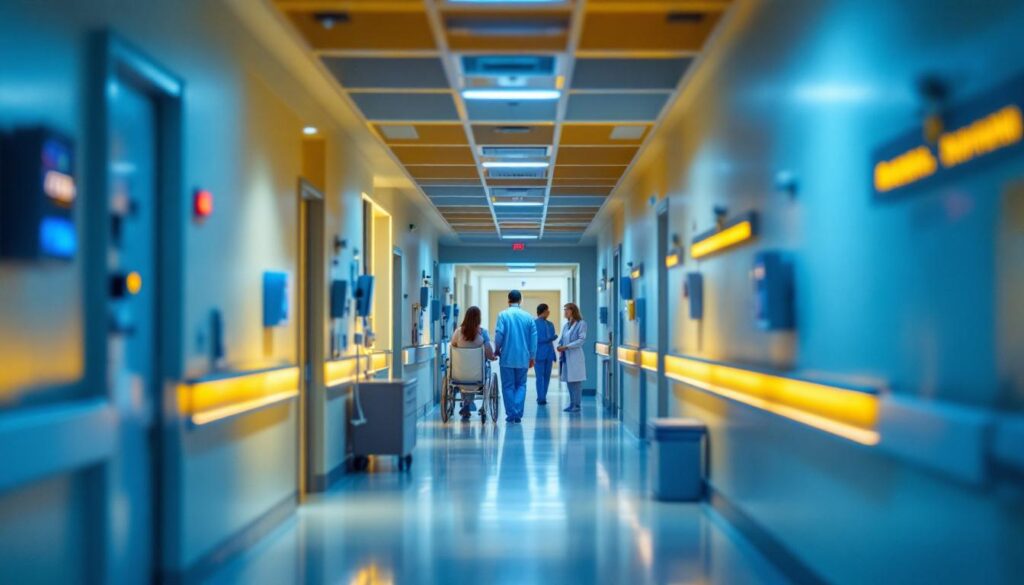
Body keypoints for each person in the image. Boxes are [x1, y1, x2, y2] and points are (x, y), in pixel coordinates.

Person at [493, 290, 537, 424]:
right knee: (521, 385)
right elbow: (533, 340)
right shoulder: (528, 317)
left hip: (507, 357)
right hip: (523, 358)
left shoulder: (503, 315)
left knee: (507, 386)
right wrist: (532, 357)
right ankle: (517, 413)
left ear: (508, 300)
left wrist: (497, 349)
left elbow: (499, 334)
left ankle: (511, 413)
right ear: (520, 301)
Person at [450, 306, 495, 421]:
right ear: (478, 318)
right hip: (477, 376)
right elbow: (489, 353)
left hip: (459, 375)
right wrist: (492, 357)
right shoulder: (483, 333)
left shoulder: (458, 332)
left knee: (465, 370)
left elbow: (453, 346)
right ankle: (478, 406)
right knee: (484, 370)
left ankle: (466, 404)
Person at [557, 302, 588, 413]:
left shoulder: (581, 324)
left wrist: (567, 347)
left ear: (573, 311)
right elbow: (562, 338)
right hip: (566, 357)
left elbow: (581, 340)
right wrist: (560, 345)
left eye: (567, 309)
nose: (565, 312)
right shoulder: (566, 325)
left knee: (576, 382)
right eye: (564, 309)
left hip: (575, 356)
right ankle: (572, 404)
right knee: (569, 381)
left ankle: (577, 405)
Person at [533, 303, 557, 405]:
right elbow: (535, 340)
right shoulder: (534, 324)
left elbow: (551, 342)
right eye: (547, 310)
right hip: (539, 354)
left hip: (549, 354)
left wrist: (554, 354)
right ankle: (540, 397)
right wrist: (550, 338)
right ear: (543, 311)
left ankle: (543, 396)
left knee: (547, 376)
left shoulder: (550, 324)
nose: (549, 312)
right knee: (539, 377)